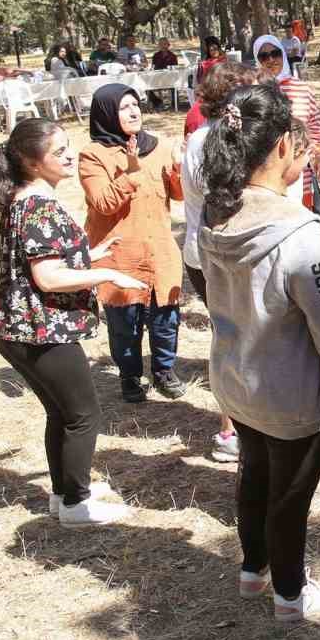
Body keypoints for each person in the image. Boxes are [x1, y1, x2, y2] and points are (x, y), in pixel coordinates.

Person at [200, 84, 320, 624]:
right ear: (279, 149)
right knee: (291, 496)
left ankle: (254, 571)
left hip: (234, 379)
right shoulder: (298, 232)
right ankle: (291, 597)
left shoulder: (213, 212)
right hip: (290, 393)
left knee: (254, 473)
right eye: (300, 144)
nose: (305, 153)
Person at [0, 118, 143, 527]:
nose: (70, 155)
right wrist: (108, 275)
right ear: (32, 162)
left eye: (68, 146)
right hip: (40, 330)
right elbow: (48, 277)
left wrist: (92, 253)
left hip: (18, 327)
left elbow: (41, 259)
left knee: (61, 413)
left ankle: (63, 494)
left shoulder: (22, 199)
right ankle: (77, 503)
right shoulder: (39, 205)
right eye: (59, 151)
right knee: (82, 415)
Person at [77, 84, 186, 403]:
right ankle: (129, 376)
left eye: (135, 104)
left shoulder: (160, 146)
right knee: (125, 325)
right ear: (107, 113)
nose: (134, 111)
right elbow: (103, 203)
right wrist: (132, 170)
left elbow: (177, 194)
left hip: (160, 250)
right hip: (120, 255)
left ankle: (165, 372)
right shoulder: (92, 155)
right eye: (124, 107)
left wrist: (179, 166)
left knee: (166, 318)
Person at [180, 61, 259, 463]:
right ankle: (231, 429)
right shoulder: (216, 143)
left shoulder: (200, 139)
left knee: (233, 336)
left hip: (205, 254)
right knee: (236, 339)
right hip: (220, 256)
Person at [252, 33, 320, 211]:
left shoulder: (302, 88)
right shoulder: (253, 93)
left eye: (275, 53)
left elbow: (316, 127)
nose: (271, 59)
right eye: (264, 56)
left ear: (283, 54)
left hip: (301, 172)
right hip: (265, 177)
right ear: (257, 60)